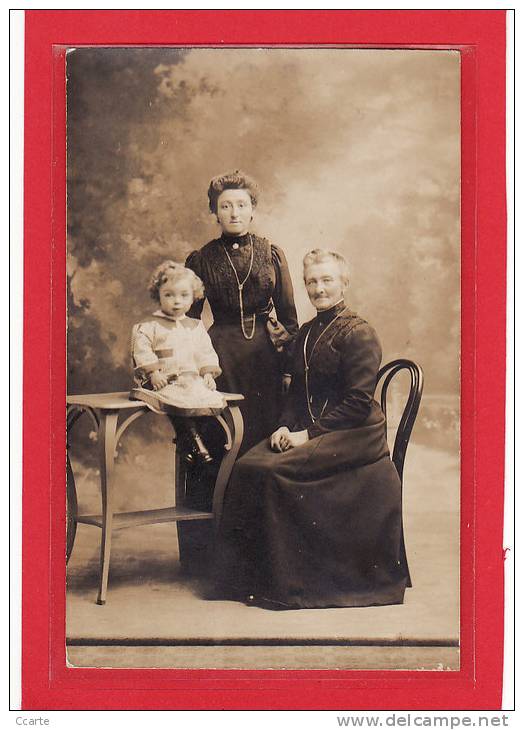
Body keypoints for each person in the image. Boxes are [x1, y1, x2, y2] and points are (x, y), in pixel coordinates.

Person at [213, 249, 410, 609]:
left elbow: (357, 402)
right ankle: (249, 581)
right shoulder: (305, 332)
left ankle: (292, 585)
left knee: (273, 472)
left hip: (354, 434)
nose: (319, 288)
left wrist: (308, 434)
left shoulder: (360, 333)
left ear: (343, 283)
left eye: (327, 280)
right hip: (312, 427)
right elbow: (297, 391)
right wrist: (286, 424)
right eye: (312, 282)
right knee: (248, 464)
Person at [186, 170, 298, 454]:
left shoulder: (271, 253)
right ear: (215, 213)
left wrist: (288, 369)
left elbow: (289, 318)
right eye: (226, 206)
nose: (234, 213)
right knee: (223, 435)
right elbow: (188, 323)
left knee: (264, 431)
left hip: (267, 355)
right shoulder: (201, 259)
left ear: (252, 211)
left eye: (241, 205)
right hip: (220, 356)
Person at [131, 261, 224, 464]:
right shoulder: (150, 326)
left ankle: (188, 445)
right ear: (158, 295)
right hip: (163, 381)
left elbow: (204, 351)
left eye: (184, 295)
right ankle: (196, 443)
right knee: (177, 402)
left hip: (191, 380)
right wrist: (153, 373)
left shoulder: (195, 326)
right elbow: (142, 350)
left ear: (194, 296)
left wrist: (207, 373)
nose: (176, 301)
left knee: (203, 401)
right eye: (169, 295)